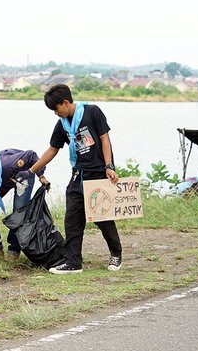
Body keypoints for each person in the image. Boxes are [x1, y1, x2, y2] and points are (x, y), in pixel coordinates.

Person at [15, 84, 123, 274]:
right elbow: (52, 150)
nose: (56, 114)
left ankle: (116, 253)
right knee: (72, 219)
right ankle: (74, 262)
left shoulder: (92, 112)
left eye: (56, 109)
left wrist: (109, 166)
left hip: (98, 173)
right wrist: (31, 171)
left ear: (65, 102)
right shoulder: (62, 125)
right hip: (77, 175)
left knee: (103, 219)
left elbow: (105, 139)